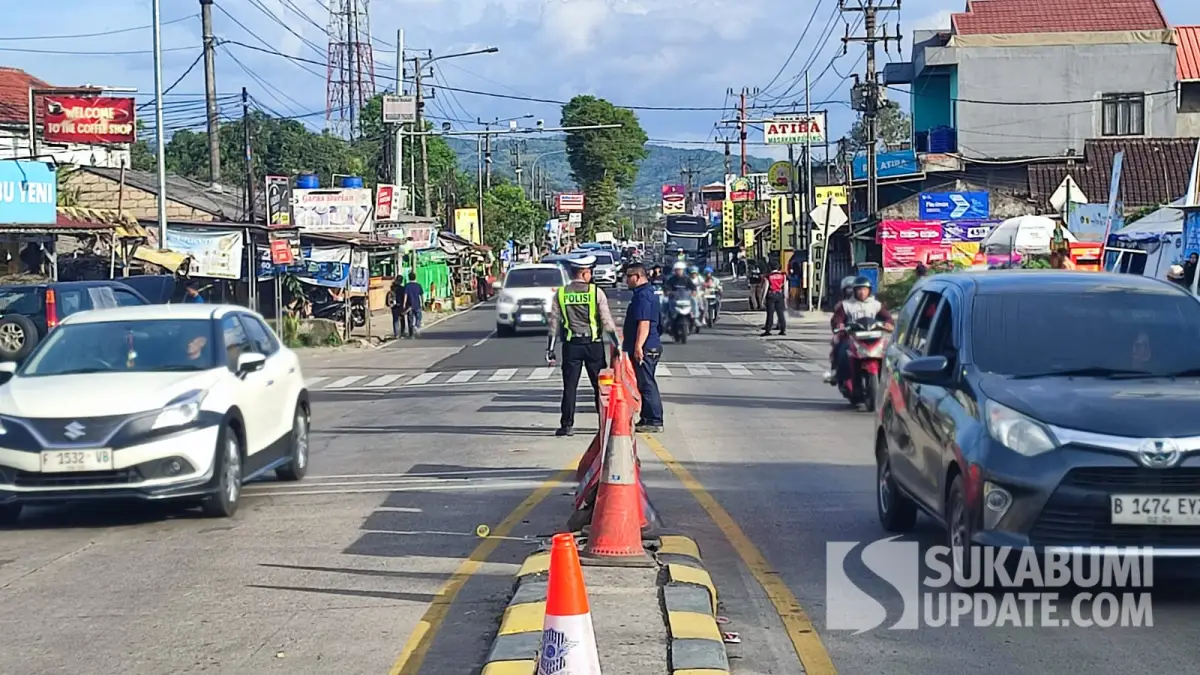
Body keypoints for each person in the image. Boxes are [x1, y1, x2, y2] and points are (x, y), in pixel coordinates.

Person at [546, 254, 618, 437]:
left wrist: (550, 349)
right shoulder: (596, 292)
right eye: (589, 272)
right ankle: (604, 425)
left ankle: (566, 425)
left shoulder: (561, 294)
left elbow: (553, 323)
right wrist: (617, 344)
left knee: (570, 387)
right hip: (593, 346)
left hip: (572, 347)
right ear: (584, 273)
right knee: (600, 387)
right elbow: (607, 322)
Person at [830, 277, 894, 405]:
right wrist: (840, 326)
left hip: (873, 337)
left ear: (869, 290)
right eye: (859, 289)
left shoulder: (876, 305)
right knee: (842, 351)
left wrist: (888, 324)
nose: (861, 292)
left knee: (890, 354)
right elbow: (837, 320)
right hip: (852, 337)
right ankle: (840, 375)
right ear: (854, 291)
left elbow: (887, 318)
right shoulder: (846, 305)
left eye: (864, 289)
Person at [623, 262, 664, 433]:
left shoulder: (643, 296)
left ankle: (654, 420)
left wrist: (639, 346)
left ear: (638, 277)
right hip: (650, 344)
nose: (626, 281)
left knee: (647, 385)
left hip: (646, 347)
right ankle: (647, 417)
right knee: (644, 383)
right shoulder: (646, 293)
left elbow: (644, 323)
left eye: (628, 277)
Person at [761, 262, 787, 336]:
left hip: (771, 295)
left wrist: (763, 298)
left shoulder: (768, 276)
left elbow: (766, 287)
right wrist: (785, 297)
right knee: (780, 313)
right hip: (780, 294)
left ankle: (768, 330)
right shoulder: (783, 275)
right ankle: (783, 329)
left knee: (770, 313)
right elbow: (785, 287)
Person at [398, 272, 424, 338]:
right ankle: (416, 325)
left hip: (409, 306)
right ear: (415, 277)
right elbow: (421, 295)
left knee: (410, 320)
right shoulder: (418, 285)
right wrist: (423, 303)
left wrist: (404, 304)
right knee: (419, 316)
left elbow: (405, 295)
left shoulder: (407, 286)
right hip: (417, 305)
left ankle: (411, 334)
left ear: (409, 278)